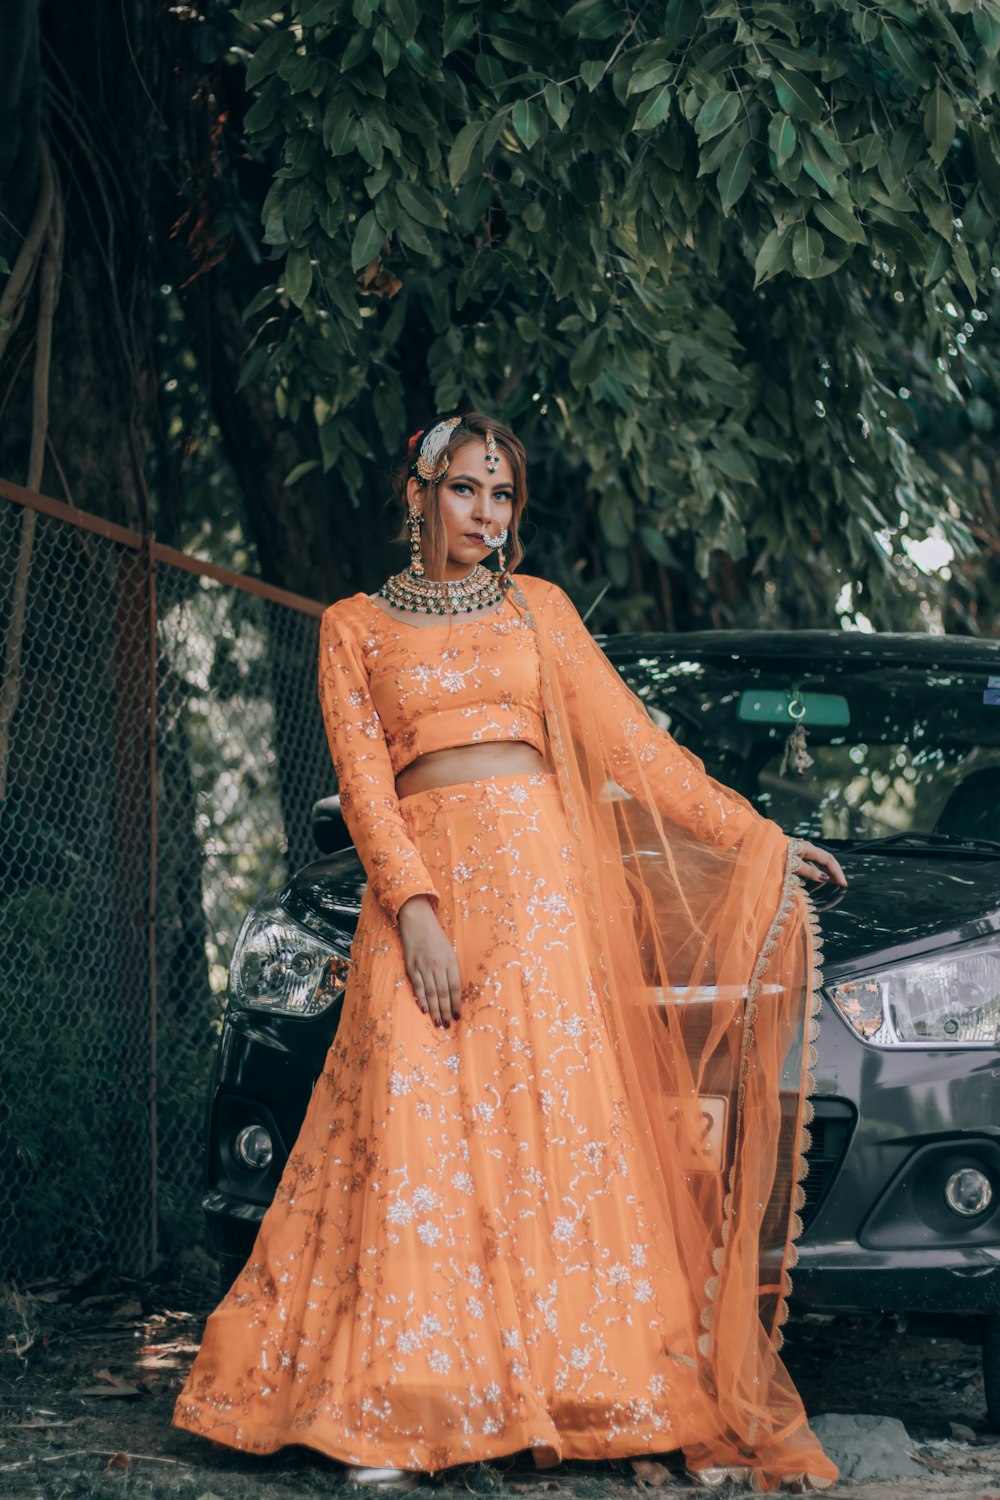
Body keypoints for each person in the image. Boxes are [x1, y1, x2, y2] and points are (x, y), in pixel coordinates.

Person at [173, 413, 846, 1491]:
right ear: (419, 493)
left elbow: (633, 746)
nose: (486, 515)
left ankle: (578, 1390)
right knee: (409, 1131)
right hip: (426, 899)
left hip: (543, 899)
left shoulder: (539, 611)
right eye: (466, 490)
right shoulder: (352, 626)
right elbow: (364, 784)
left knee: (551, 1133)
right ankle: (395, 1405)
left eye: (502, 497)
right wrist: (418, 911)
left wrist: (751, 833)